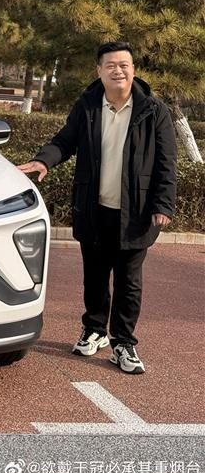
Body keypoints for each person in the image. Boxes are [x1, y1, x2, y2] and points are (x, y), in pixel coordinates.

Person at [17, 42, 177, 374]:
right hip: (94, 207)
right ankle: (94, 330)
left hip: (136, 212)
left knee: (129, 282)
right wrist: (43, 160)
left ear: (133, 70)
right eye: (111, 65)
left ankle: (123, 343)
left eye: (124, 65)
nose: (119, 70)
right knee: (94, 276)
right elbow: (65, 140)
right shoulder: (88, 105)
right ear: (99, 70)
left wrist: (163, 204)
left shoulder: (154, 110)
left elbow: (167, 163)